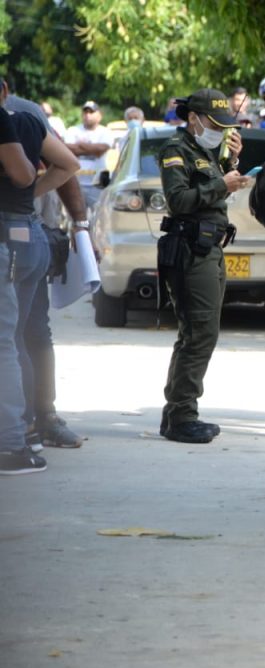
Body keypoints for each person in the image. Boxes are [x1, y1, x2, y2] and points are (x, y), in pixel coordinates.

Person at [157, 89, 249, 444]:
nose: (220, 131)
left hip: (210, 248)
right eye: (214, 124)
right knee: (199, 334)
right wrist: (220, 183)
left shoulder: (206, 152)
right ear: (193, 118)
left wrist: (230, 165)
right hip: (190, 251)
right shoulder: (175, 150)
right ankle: (182, 415)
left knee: (198, 334)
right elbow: (179, 200)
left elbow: (215, 189)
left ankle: (177, 414)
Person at [8, 90, 90, 451]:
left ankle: (35, 421)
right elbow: (69, 165)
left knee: (23, 334)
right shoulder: (26, 112)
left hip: (21, 234)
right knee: (25, 333)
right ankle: (31, 422)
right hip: (29, 233)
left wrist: (81, 224)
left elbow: (65, 167)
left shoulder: (22, 113)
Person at [0, 79, 50, 475]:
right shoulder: (25, 120)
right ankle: (18, 439)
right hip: (21, 229)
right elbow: (24, 173)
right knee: (11, 342)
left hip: (16, 235)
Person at [63, 101, 113, 210]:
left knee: (99, 216)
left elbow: (101, 149)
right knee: (78, 219)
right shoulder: (73, 130)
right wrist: (92, 149)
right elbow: (67, 148)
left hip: (97, 184)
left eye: (91, 112)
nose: (87, 115)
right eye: (85, 112)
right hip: (76, 182)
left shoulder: (105, 132)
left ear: (99, 115)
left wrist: (79, 145)